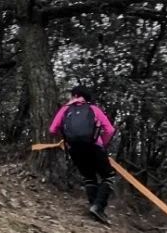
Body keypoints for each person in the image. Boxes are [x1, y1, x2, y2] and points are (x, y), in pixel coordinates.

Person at [49, 86, 117, 224]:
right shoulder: (93, 109)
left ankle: (93, 206)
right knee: (109, 176)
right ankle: (98, 207)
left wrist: (67, 140)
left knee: (89, 177)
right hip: (94, 147)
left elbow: (52, 129)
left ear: (75, 95)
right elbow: (109, 130)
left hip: (74, 149)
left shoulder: (65, 109)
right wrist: (102, 144)